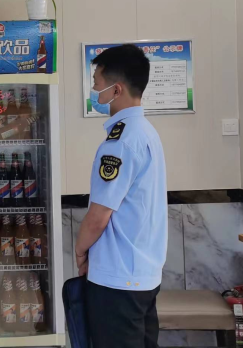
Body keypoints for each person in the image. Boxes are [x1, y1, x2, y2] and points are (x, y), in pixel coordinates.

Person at [75, 44, 167, 348]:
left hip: (118, 279)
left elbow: (99, 216)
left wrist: (80, 251)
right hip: (142, 274)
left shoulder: (120, 142)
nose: (94, 91)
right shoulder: (146, 132)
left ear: (117, 89)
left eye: (97, 83)